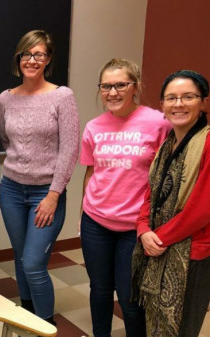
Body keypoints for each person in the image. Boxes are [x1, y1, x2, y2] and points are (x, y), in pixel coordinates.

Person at [80, 58, 171, 337]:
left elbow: (168, 177)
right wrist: (83, 217)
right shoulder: (93, 126)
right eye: (106, 86)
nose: (113, 92)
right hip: (96, 222)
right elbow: (91, 173)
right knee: (99, 290)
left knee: (130, 298)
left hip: (135, 227)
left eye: (121, 84)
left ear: (136, 87)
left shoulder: (159, 123)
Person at [0, 30, 79, 325]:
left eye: (38, 54)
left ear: (48, 59)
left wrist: (53, 195)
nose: (31, 60)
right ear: (18, 58)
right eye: (26, 54)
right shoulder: (6, 98)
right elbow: (6, 140)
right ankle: (29, 312)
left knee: (33, 262)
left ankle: (46, 324)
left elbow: (69, 149)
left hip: (46, 193)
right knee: (20, 257)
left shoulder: (62, 96)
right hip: (11, 191)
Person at [132, 70, 210, 337]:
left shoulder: (208, 142)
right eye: (171, 98)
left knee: (182, 326)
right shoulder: (167, 145)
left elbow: (202, 210)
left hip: (192, 252)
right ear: (162, 105)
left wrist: (159, 238)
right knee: (156, 321)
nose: (178, 104)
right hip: (157, 243)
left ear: (203, 102)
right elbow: (151, 192)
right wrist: (143, 228)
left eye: (188, 97)